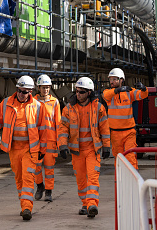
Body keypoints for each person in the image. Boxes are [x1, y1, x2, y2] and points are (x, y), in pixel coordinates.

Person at [0, 75, 47, 221]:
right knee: (19, 179)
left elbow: (43, 131)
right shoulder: (6, 104)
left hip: (30, 150)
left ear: (30, 92)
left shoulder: (38, 107)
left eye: (25, 92)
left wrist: (42, 151)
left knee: (27, 178)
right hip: (13, 150)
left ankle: (27, 208)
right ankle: (23, 205)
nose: (21, 94)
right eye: (19, 90)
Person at [58, 77, 110, 218]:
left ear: (89, 92)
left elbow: (104, 128)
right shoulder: (69, 109)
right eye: (77, 91)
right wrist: (62, 145)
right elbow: (63, 128)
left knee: (92, 178)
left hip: (93, 150)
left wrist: (106, 146)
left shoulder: (98, 108)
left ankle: (92, 204)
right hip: (77, 151)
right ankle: (85, 203)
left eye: (81, 92)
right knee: (81, 180)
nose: (78, 94)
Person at [102, 67, 148, 170]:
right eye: (110, 79)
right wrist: (118, 90)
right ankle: (120, 181)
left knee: (131, 157)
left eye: (114, 79)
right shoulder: (108, 93)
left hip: (129, 132)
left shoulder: (129, 92)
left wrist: (144, 88)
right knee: (118, 159)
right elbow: (105, 95)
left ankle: (133, 181)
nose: (112, 81)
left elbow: (142, 95)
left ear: (121, 80)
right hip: (115, 133)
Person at [33, 74, 61, 202]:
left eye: (48, 87)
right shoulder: (33, 101)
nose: (45, 90)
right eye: (43, 87)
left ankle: (49, 191)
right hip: (37, 140)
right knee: (36, 166)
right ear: (38, 88)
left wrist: (60, 142)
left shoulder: (54, 102)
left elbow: (58, 123)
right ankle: (40, 186)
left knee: (49, 167)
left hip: (50, 141)